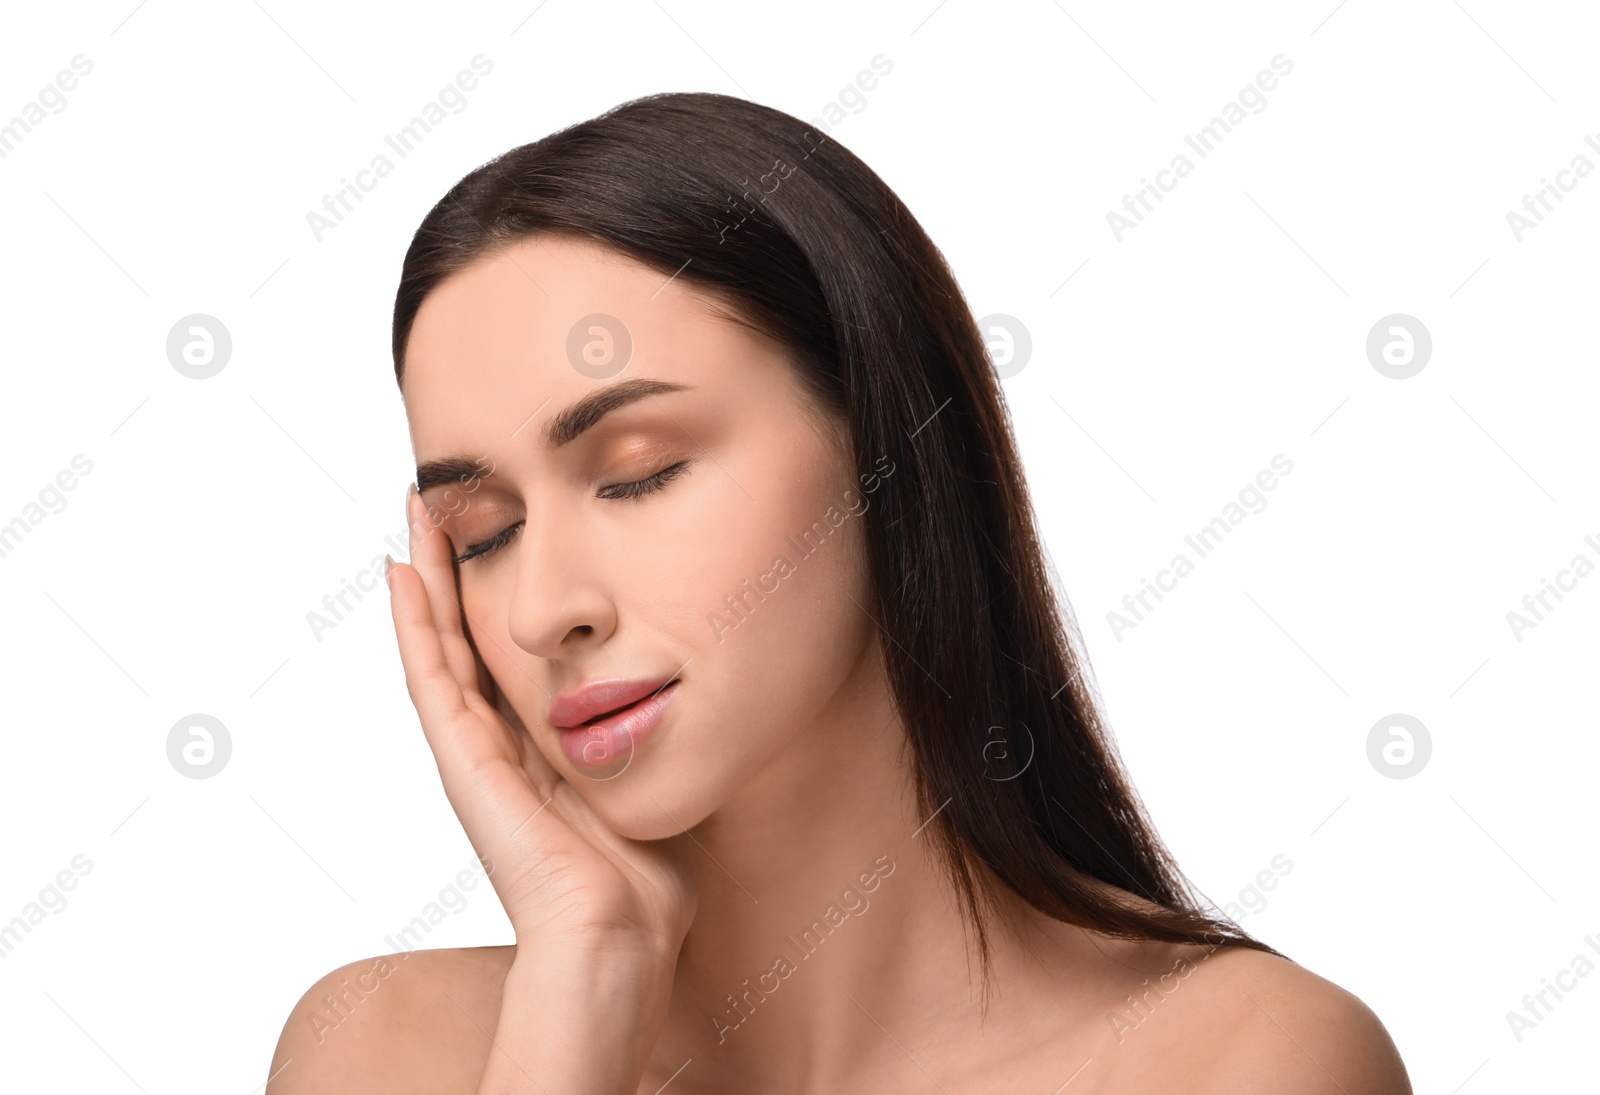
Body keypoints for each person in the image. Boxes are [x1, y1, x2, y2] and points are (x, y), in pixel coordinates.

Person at [267, 92, 1411, 1094]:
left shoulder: (1242, 1061)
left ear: (885, 450)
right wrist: (583, 992)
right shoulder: (380, 1052)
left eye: (639, 472)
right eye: (484, 532)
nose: (541, 609)